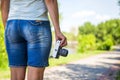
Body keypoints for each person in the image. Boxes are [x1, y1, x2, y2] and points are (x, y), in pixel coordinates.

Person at [1, 0, 67, 80]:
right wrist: (58, 31)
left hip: (12, 25)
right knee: (35, 75)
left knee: (16, 76)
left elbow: (3, 3)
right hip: (36, 22)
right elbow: (50, 1)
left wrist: (7, 29)